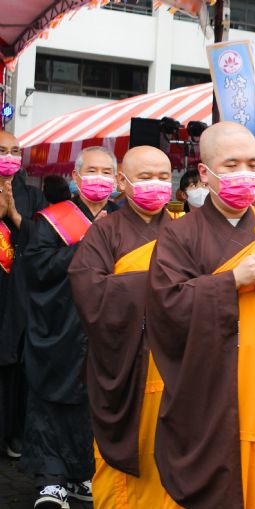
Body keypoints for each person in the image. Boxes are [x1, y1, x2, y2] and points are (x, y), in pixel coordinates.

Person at [146, 122, 255, 509]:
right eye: (231, 165)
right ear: (205, 173)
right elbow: (166, 304)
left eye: (253, 164)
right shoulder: (180, 235)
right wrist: (231, 280)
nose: (245, 175)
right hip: (212, 387)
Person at [68, 146, 183, 508]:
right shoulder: (105, 232)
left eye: (164, 178)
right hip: (124, 367)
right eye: (145, 177)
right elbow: (89, 289)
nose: (156, 185)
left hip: (174, 368)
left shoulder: (185, 231)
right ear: (123, 181)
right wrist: (157, 284)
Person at [21, 146, 119, 508]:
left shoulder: (123, 217)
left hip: (107, 327)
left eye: (107, 172)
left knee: (94, 402)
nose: (99, 178)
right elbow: (38, 268)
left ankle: (81, 474)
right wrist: (90, 242)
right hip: (60, 322)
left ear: (117, 179)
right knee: (52, 400)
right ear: (76, 178)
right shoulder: (51, 220)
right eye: (91, 171)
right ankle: (51, 478)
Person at [0, 131, 48, 461]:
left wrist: (15, 215)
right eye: (3, 150)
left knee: (15, 365)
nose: (10, 156)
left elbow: (45, 239)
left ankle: (12, 432)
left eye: (15, 150)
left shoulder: (32, 195)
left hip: (19, 290)